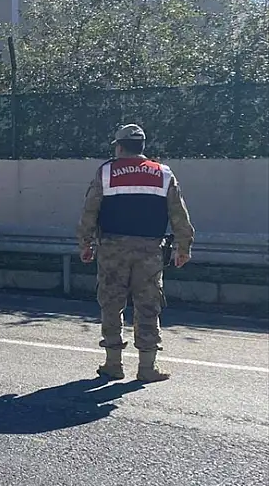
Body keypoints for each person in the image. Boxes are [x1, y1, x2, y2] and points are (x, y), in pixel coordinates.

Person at [77, 124, 194, 383]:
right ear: (142, 147)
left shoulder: (106, 172)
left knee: (111, 302)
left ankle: (113, 364)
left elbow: (90, 211)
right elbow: (179, 214)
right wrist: (183, 247)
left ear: (119, 147)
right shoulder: (163, 173)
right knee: (148, 304)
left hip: (112, 249)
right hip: (150, 251)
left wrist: (86, 243)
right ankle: (147, 368)